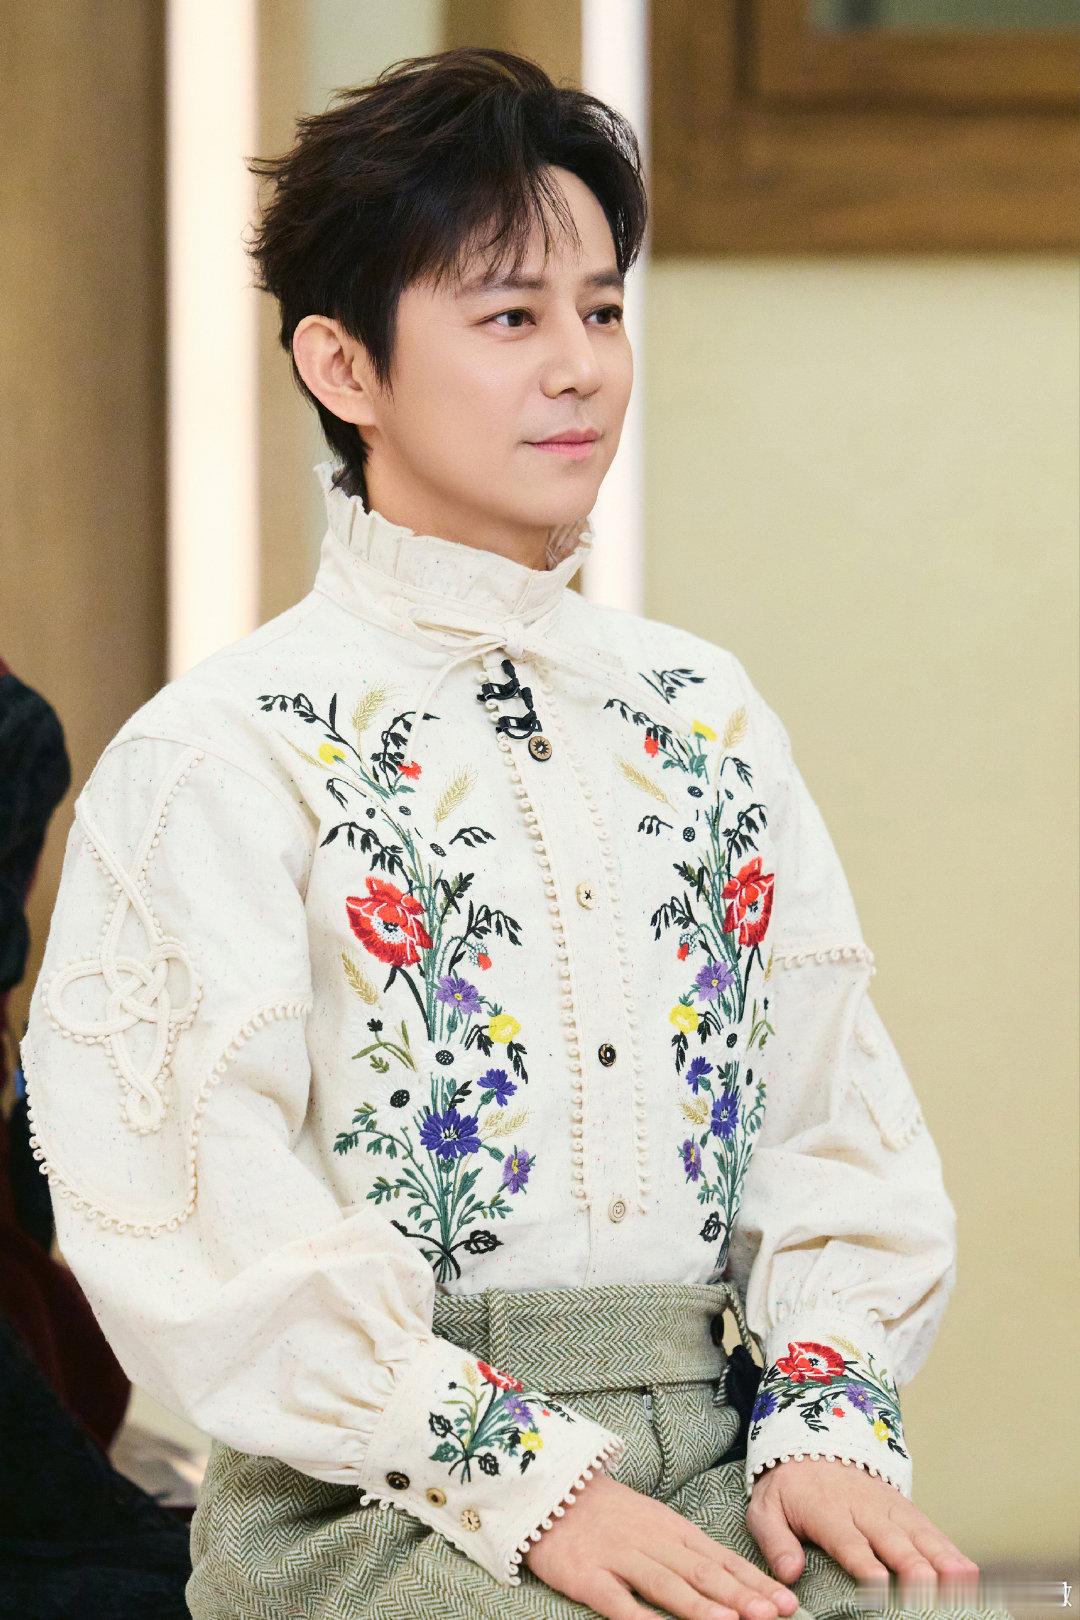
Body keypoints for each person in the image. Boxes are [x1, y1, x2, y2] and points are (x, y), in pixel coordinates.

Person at [20, 46, 1011, 1620]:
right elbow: (191, 1211)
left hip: (718, 1451)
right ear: (344, 367)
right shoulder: (219, 753)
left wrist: (827, 1425)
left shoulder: (703, 712)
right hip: (371, 1494)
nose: (580, 369)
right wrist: (521, 1478)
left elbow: (830, 1110)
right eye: (508, 318)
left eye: (601, 311)